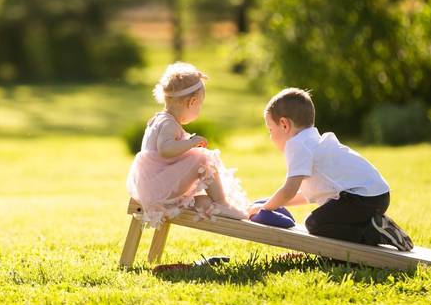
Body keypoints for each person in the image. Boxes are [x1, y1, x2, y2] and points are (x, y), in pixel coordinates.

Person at [247, 88, 414, 251]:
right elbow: (306, 196)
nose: (270, 136)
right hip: (375, 196)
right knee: (326, 219)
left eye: (270, 129)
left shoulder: (297, 145)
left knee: (316, 223)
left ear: (284, 124)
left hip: (362, 198)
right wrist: (273, 203)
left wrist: (264, 208)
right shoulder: (311, 141)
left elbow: (288, 190)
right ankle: (375, 224)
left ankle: (374, 232)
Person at [126, 62, 249, 226]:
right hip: (160, 187)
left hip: (156, 187)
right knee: (204, 158)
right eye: (200, 105)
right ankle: (222, 204)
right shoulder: (168, 124)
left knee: (203, 199)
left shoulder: (159, 119)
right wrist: (191, 143)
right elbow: (165, 150)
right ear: (191, 102)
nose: (199, 109)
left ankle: (214, 207)